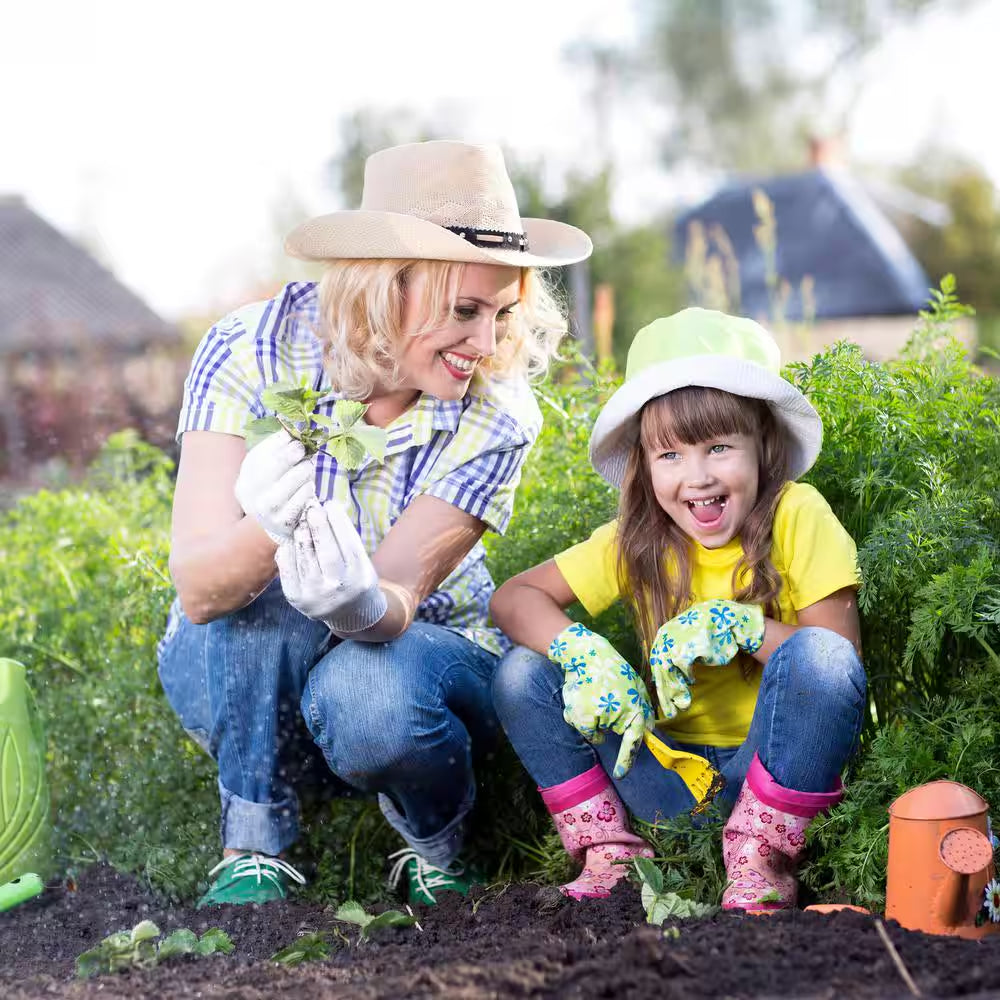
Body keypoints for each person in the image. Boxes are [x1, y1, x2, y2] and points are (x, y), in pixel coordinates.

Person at [157, 140, 592, 908]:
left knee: (371, 691)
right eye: (464, 311)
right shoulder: (251, 352)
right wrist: (270, 522)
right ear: (387, 288)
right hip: (238, 676)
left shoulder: (497, 412)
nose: (486, 346)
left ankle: (437, 842)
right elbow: (199, 591)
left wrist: (353, 601)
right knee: (268, 606)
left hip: (410, 669)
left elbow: (396, 593)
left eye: (500, 314)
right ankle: (255, 845)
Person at [491, 308, 866, 908]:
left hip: (768, 772)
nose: (696, 477)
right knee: (520, 672)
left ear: (764, 446)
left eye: (719, 447)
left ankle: (762, 862)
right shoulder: (640, 537)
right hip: (662, 778)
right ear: (643, 464)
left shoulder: (798, 514)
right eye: (669, 455)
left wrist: (744, 625)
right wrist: (580, 649)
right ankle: (613, 855)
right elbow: (513, 598)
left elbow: (836, 661)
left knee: (817, 658)